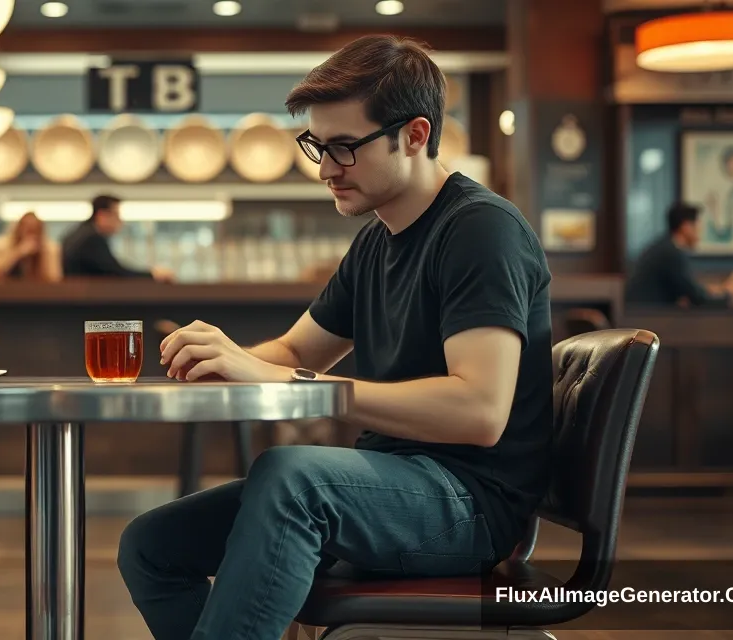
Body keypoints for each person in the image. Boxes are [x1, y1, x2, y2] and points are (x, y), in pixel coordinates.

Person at [116, 35, 555, 640]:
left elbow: (479, 411)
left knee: (292, 477)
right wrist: (225, 360)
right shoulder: (377, 240)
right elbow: (296, 353)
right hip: (388, 483)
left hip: (469, 505)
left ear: (415, 135)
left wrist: (295, 381)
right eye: (317, 147)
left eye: (345, 148)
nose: (325, 170)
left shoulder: (481, 230)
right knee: (151, 545)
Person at [625, 203, 733, 307]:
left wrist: (720, 289)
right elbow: (697, 298)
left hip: (643, 317)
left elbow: (689, 289)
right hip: (645, 321)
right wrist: (729, 295)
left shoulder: (665, 246)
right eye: (698, 226)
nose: (700, 232)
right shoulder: (671, 253)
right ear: (686, 227)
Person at [60, 194, 176, 281]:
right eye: (117, 216)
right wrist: (153, 275)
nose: (121, 221)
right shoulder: (91, 239)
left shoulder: (80, 233)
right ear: (102, 215)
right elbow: (116, 273)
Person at [0, 211, 62, 282]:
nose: (31, 234)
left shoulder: (50, 249)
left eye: (35, 229)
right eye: (27, 229)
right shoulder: (2, 246)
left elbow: (54, 279)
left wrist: (43, 254)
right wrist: (18, 253)